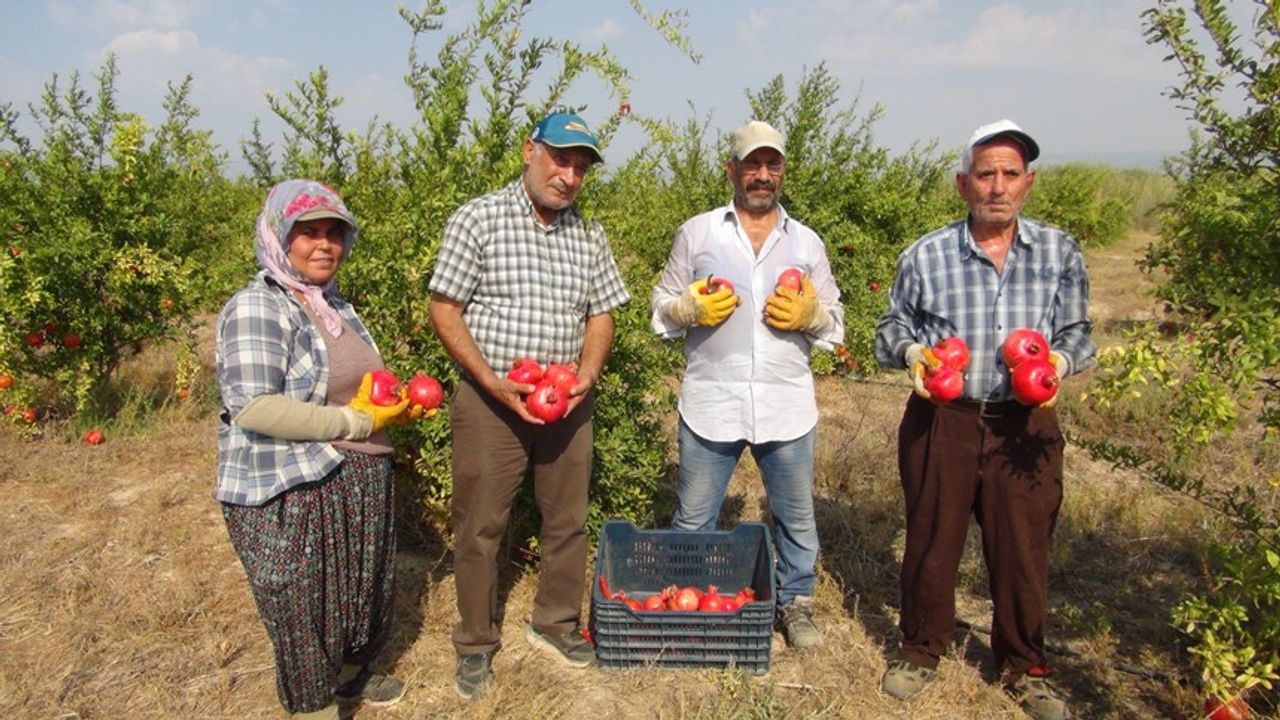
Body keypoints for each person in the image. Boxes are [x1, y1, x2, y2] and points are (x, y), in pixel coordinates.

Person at [874, 120, 1095, 720]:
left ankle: (1025, 665)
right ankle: (920, 650)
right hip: (943, 418)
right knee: (930, 538)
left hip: (1025, 423)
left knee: (1024, 548)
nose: (998, 185)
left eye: (1010, 173)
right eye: (985, 173)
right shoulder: (926, 254)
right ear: (961, 183)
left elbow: (1079, 332)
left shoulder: (1059, 252)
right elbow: (891, 327)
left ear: (1029, 182)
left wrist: (1059, 361)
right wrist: (912, 354)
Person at [427, 111, 630, 700]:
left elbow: (602, 312)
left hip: (565, 401)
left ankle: (557, 622)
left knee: (566, 519)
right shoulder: (480, 218)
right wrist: (492, 382)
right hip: (493, 400)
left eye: (580, 166)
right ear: (528, 151)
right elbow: (445, 308)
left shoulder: (588, 234)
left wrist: (587, 374)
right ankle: (474, 642)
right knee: (480, 524)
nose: (568, 175)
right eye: (560, 159)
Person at [215, 179, 414, 720]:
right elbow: (254, 405)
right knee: (304, 609)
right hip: (294, 482)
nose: (324, 245)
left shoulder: (335, 305)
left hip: (357, 473)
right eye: (309, 233)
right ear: (280, 238)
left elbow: (356, 385)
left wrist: (392, 406)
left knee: (355, 594)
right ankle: (314, 704)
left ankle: (350, 676)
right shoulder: (258, 306)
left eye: (334, 233)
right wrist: (350, 420)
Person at [650, 120, 845, 650]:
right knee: (693, 518)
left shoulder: (806, 242)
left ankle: (795, 603)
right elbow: (660, 305)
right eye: (752, 164)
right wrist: (685, 307)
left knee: (796, 517)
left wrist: (813, 316)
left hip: (785, 403)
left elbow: (836, 323)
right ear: (731, 169)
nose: (763, 175)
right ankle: (687, 601)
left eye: (772, 164)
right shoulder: (698, 233)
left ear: (783, 171)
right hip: (712, 400)